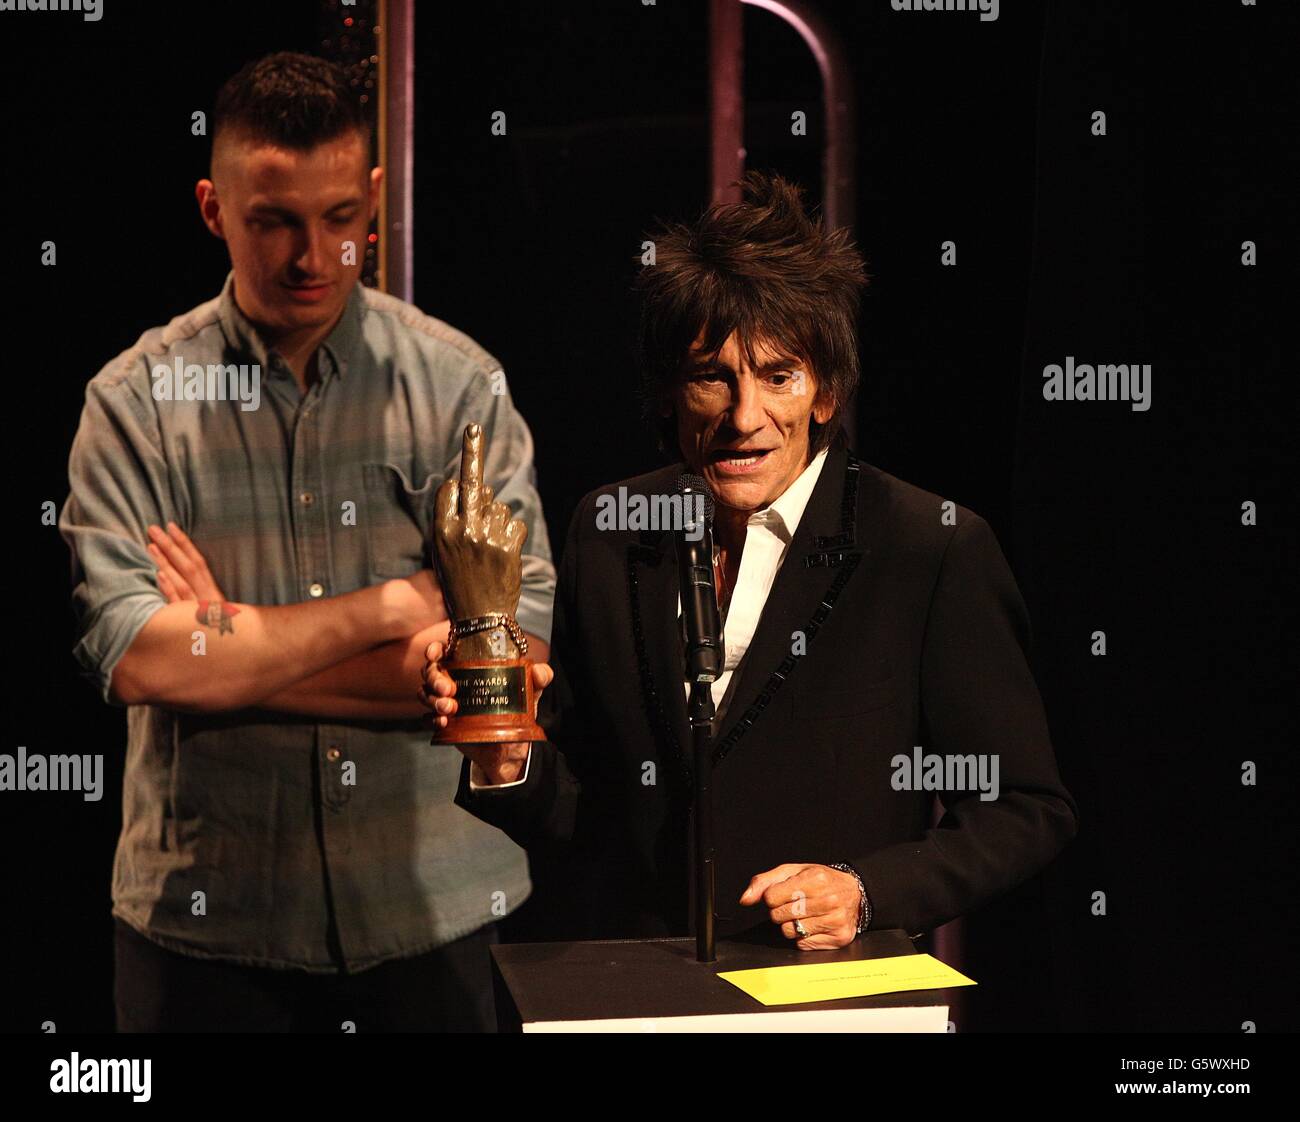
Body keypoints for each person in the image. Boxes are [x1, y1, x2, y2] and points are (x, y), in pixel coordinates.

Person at [420, 172, 1077, 949]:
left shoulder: (928, 545)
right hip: (638, 990)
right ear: (670, 392)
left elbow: (1026, 809)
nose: (744, 417)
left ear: (826, 391)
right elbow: (590, 819)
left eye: (777, 377)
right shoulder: (611, 527)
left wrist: (864, 892)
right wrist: (506, 755)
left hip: (829, 999)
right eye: (712, 377)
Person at [58, 52, 555, 1032]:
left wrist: (236, 648)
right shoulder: (133, 404)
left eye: (339, 219)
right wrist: (393, 611)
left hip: (435, 921)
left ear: (374, 197)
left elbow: (510, 659)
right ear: (213, 209)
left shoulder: (459, 386)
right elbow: (136, 660)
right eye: (274, 221)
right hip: (208, 938)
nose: (311, 257)